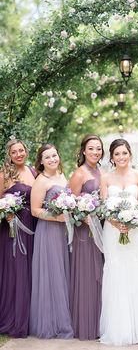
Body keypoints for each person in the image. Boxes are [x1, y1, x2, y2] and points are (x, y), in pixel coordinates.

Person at [100, 139, 138, 346]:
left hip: (135, 230)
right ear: (112, 156)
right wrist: (117, 223)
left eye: (124, 153)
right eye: (117, 154)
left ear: (130, 155)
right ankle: (117, 329)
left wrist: (131, 222)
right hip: (112, 229)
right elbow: (102, 207)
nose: (121, 157)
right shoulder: (105, 177)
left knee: (136, 270)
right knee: (115, 271)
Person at [29, 144, 73, 339]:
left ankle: (63, 317)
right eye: (47, 157)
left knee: (62, 273)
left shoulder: (63, 177)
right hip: (48, 232)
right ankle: (52, 323)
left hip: (63, 231)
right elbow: (35, 210)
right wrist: (56, 218)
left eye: (54, 155)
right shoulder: (41, 180)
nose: (52, 159)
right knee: (52, 274)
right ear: (41, 161)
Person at [68, 134, 104, 340]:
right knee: (88, 274)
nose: (95, 152)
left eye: (98, 148)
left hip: (101, 229)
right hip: (85, 232)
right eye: (91, 148)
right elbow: (70, 206)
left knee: (100, 275)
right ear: (83, 151)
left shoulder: (101, 171)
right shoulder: (79, 174)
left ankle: (100, 321)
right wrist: (84, 220)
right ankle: (85, 324)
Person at [0, 139, 36, 338]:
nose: (19, 154)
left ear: (26, 151)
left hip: (32, 228)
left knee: (29, 271)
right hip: (12, 229)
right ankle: (12, 317)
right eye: (15, 152)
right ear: (10, 155)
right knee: (16, 272)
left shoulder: (33, 171)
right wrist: (6, 212)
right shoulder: (5, 174)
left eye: (21, 150)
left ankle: (28, 318)